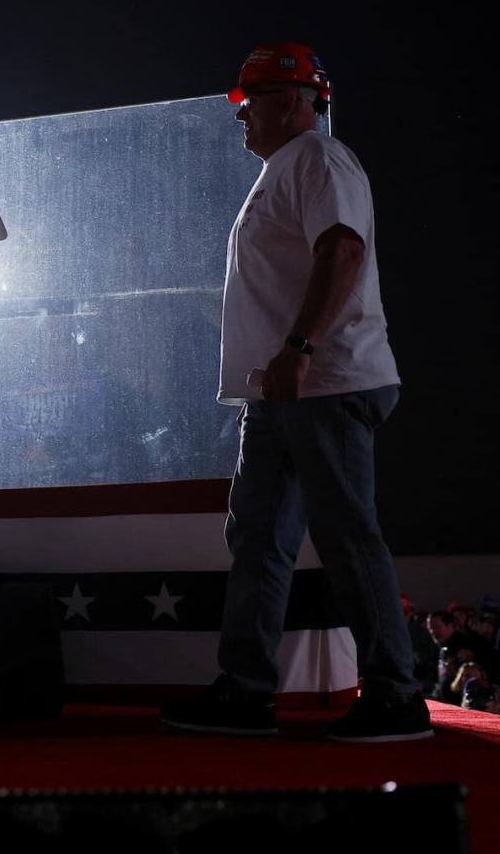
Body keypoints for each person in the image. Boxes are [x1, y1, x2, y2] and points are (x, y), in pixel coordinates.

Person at [160, 42, 431, 742]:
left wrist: (300, 348)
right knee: (259, 539)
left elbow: (343, 249)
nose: (241, 116)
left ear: (288, 100)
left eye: (249, 101)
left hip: (323, 384)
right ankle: (245, 691)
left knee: (345, 538)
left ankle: (397, 696)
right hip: (282, 393)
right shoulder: (290, 165)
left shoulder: (318, 158)